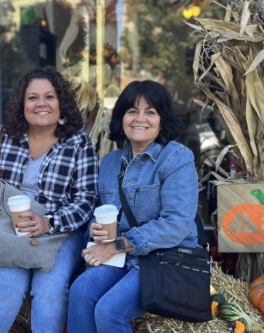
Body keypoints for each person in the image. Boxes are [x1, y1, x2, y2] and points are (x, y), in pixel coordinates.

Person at [67, 80, 200, 332]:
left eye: (150, 112)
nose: (140, 119)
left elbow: (177, 224)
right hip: (122, 255)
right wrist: (95, 231)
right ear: (121, 118)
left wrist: (117, 244)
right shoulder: (108, 163)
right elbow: (96, 213)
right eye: (132, 111)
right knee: (80, 291)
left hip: (163, 256)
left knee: (109, 310)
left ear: (162, 120)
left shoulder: (176, 158)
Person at [0, 66, 99, 333]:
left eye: (50, 96)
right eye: (33, 97)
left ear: (61, 103)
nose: (41, 104)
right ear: (22, 103)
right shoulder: (0, 138)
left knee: (50, 288)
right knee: (7, 284)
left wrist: (48, 222)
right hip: (11, 229)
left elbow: (86, 200)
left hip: (61, 230)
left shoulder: (79, 144)